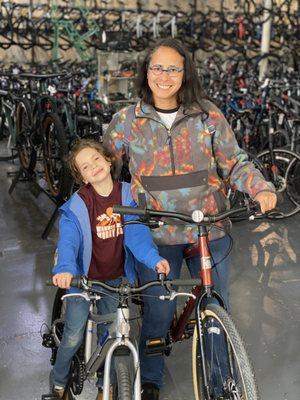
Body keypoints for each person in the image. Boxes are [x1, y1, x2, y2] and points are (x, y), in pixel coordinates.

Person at [103, 38, 277, 400]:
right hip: (154, 235)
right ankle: (150, 378)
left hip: (208, 230)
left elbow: (234, 162)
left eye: (173, 68)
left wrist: (259, 187)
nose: (164, 76)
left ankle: (220, 380)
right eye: (157, 68)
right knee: (157, 311)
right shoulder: (126, 121)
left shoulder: (208, 115)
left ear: (186, 74)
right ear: (146, 73)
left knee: (214, 305)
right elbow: (105, 171)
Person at [50, 138, 170, 400]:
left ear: (108, 159)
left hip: (116, 280)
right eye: (84, 166)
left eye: (96, 158)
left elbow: (137, 234)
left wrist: (153, 259)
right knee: (73, 335)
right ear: (81, 177)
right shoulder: (78, 205)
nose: (93, 166)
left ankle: (108, 387)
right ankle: (58, 382)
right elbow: (68, 242)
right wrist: (66, 269)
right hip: (83, 280)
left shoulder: (127, 194)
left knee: (114, 335)